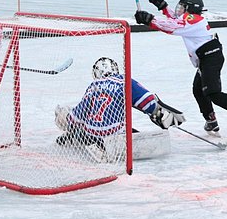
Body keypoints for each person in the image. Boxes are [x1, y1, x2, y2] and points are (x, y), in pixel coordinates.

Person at [134, 0, 227, 135]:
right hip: (207, 56)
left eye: (182, 7)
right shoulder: (190, 19)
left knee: (213, 94)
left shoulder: (193, 20)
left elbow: (172, 26)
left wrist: (150, 20)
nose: (179, 9)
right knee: (198, 90)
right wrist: (163, 6)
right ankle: (211, 121)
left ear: (190, 8)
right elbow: (175, 19)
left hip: (211, 57)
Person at [54, 57, 185, 160]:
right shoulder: (124, 80)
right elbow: (148, 103)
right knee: (130, 131)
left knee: (74, 119)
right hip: (117, 135)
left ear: (96, 73)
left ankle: (73, 136)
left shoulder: (93, 85)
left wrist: (68, 120)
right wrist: (160, 115)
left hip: (92, 135)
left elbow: (77, 116)